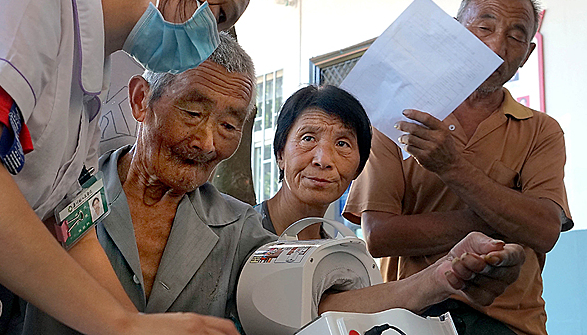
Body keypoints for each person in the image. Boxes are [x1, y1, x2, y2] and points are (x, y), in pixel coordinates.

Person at [0, 0, 262, 334]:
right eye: (219, 17)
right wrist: (118, 325)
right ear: (141, 101)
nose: (211, 41)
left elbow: (71, 226)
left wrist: (136, 324)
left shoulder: (86, 78)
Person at [94, 34, 526, 332]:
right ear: (139, 101)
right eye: (192, 113)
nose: (207, 141)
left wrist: (439, 277)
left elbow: (316, 308)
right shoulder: (63, 193)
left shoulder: (243, 231)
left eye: (229, 125)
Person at [344, 0, 572, 334]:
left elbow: (544, 231)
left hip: (510, 322)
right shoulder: (396, 114)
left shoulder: (541, 130)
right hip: (412, 315)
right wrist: (507, 218)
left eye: (515, 36)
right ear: (452, 33)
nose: (497, 47)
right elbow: (380, 234)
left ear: (527, 53)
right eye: (484, 28)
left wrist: (453, 167)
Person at [255, 85, 371, 239]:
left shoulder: (339, 259)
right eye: (308, 138)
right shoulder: (236, 237)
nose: (323, 160)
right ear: (280, 154)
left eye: (342, 144)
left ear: (358, 167)